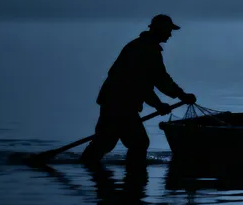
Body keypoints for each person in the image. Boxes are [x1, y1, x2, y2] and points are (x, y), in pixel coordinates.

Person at [80, 14, 196, 165]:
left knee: (105, 142)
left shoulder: (149, 48)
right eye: (168, 30)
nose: (170, 34)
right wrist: (158, 104)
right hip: (119, 103)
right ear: (160, 30)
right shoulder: (143, 49)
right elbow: (137, 84)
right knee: (137, 143)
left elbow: (161, 79)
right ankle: (134, 177)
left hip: (117, 102)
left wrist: (181, 95)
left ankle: (90, 166)